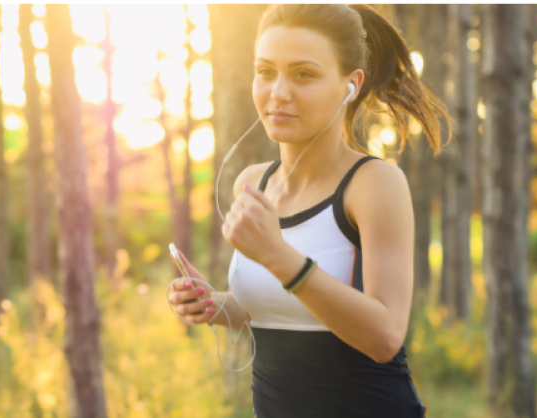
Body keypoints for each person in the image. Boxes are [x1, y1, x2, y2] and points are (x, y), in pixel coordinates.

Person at [168, 4, 451, 418]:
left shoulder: (374, 184)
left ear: (350, 85)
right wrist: (212, 304)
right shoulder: (252, 182)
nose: (279, 92)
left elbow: (385, 336)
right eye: (266, 71)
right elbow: (278, 308)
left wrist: (278, 257)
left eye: (303, 74)